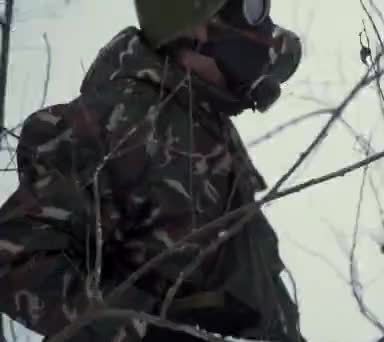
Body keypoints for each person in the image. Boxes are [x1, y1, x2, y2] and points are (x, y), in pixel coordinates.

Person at [0, 0, 305, 341]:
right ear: (191, 30)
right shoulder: (116, 125)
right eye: (245, 9)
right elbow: (18, 260)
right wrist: (152, 335)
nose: (258, 26)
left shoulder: (201, 103)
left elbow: (277, 51)